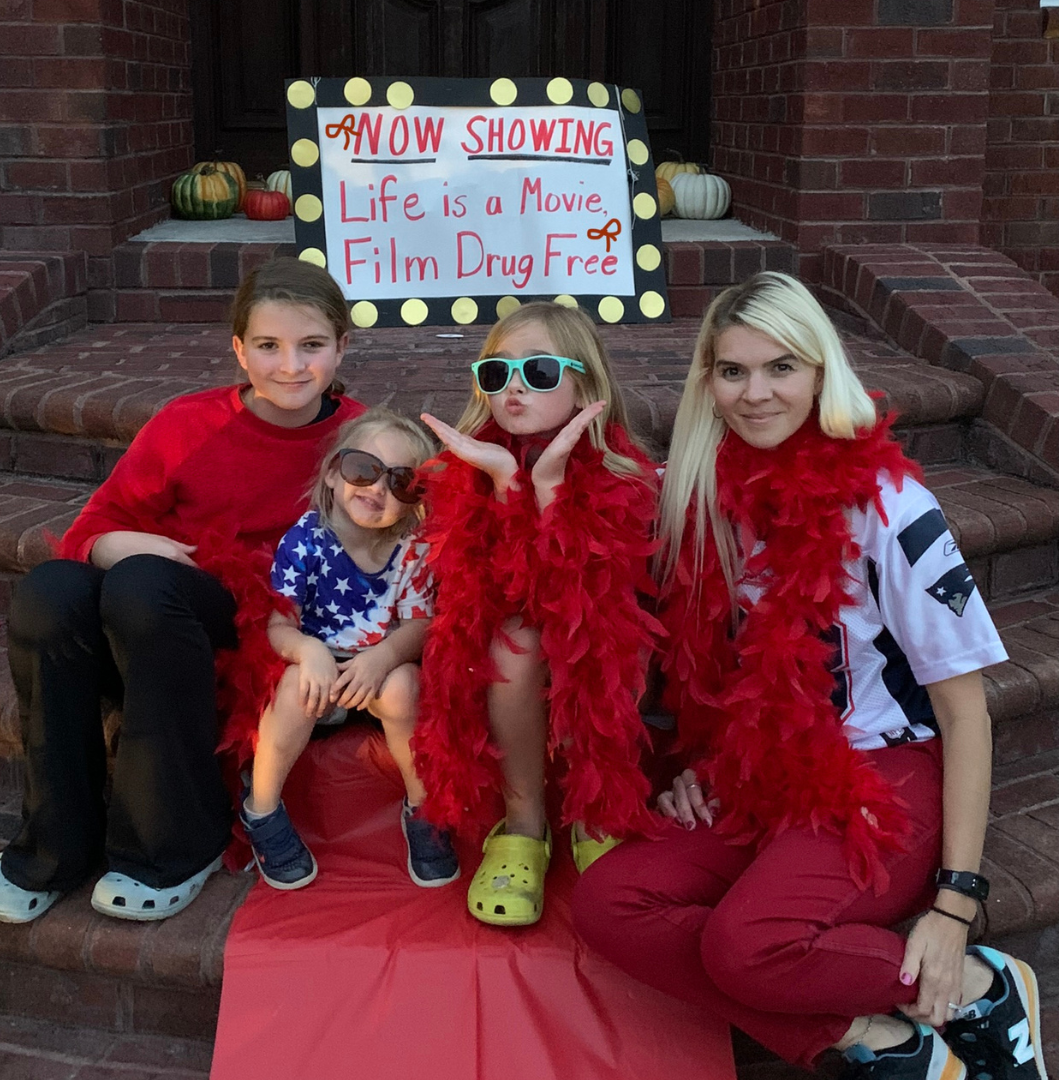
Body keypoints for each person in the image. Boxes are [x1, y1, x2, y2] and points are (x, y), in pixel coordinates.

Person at [572, 272, 1046, 1080]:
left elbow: (967, 712)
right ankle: (875, 1034)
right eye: (733, 371)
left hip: (886, 778)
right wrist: (698, 763)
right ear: (708, 383)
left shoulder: (889, 502)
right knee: (607, 903)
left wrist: (955, 906)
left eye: (781, 367)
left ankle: (974, 983)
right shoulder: (702, 496)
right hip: (764, 774)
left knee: (746, 948)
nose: (756, 393)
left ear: (822, 372)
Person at [0, 257, 365, 923]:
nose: (290, 367)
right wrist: (120, 542)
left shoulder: (361, 439)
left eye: (312, 346)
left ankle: (170, 846)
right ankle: (54, 846)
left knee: (143, 587)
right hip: (157, 617)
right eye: (268, 347)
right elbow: (91, 527)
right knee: (48, 594)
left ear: (341, 347)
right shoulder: (190, 425)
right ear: (239, 350)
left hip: (268, 625)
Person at [416, 300, 661, 927]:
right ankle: (524, 823)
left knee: (598, 639)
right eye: (496, 374)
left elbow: (586, 602)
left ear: (586, 383)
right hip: (508, 658)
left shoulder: (625, 475)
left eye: (540, 371)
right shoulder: (470, 471)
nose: (515, 387)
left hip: (608, 648)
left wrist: (550, 491)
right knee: (513, 644)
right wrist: (506, 485)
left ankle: (596, 808)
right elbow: (491, 598)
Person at [240, 406, 459, 890]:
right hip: (317, 672)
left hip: (376, 672)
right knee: (294, 684)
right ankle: (263, 808)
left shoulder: (413, 547)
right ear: (334, 474)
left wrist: (382, 657)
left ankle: (423, 809)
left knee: (405, 685)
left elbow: (420, 624)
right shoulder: (307, 539)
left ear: (415, 498)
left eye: (401, 482)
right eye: (364, 469)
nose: (377, 489)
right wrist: (307, 651)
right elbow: (278, 626)